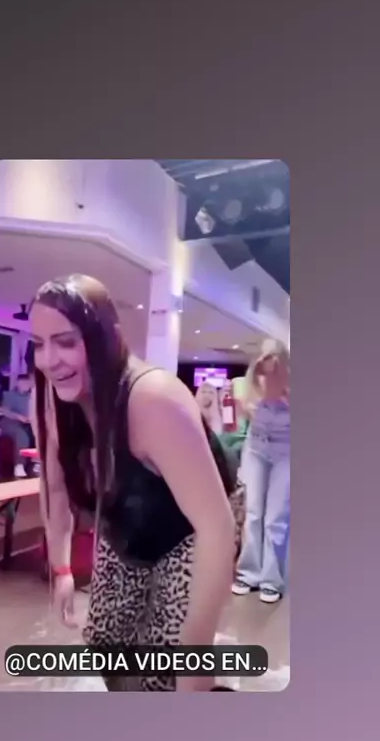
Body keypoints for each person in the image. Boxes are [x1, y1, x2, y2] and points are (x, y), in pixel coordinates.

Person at [28, 274, 235, 692]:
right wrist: (62, 568)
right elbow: (55, 486)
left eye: (65, 342)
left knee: (168, 673)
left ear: (102, 338)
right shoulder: (52, 400)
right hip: (128, 519)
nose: (49, 360)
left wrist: (196, 656)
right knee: (107, 649)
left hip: (191, 530)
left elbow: (216, 527)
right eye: (38, 344)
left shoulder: (152, 399)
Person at [232, 339, 290, 604]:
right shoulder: (251, 379)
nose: (268, 374)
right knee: (253, 512)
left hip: (286, 450)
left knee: (275, 517)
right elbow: (245, 411)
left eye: (273, 368)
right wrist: (250, 400)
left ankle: (271, 580)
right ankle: (248, 574)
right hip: (256, 447)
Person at [0, 373, 34, 478]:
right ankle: (19, 465)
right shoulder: (9, 395)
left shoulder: (32, 396)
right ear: (18, 383)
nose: (25, 385)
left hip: (28, 422)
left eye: (27, 383)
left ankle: (38, 463)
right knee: (21, 435)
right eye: (23, 383)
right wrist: (19, 417)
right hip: (9, 422)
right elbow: (6, 411)